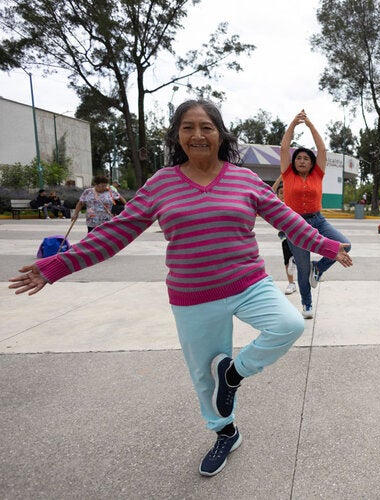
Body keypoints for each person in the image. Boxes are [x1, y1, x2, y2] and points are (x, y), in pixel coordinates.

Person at [8, 99, 352, 477]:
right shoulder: (162, 183)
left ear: (220, 134)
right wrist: (56, 265)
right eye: (188, 127)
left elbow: (288, 219)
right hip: (193, 294)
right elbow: (116, 232)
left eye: (206, 126)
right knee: (204, 376)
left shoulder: (244, 179)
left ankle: (233, 374)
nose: (198, 134)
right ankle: (226, 432)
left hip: (249, 282)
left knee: (289, 325)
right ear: (177, 136)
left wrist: (330, 246)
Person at [280, 109, 351, 319]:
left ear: (312, 163)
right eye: (298, 158)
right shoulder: (287, 174)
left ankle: (318, 268)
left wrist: (309, 125)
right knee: (302, 268)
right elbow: (285, 147)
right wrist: (293, 122)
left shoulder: (317, 174)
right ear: (294, 162)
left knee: (345, 244)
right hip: (295, 224)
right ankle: (307, 304)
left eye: (306, 158)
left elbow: (321, 148)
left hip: (317, 220)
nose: (302, 161)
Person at [272, 177, 297, 295]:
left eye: (286, 193)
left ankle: (296, 263)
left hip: (297, 235)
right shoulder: (276, 204)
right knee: (287, 261)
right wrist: (281, 177)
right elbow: (270, 191)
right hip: (285, 236)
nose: (283, 195)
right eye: (281, 193)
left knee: (297, 259)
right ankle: (291, 283)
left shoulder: (293, 203)